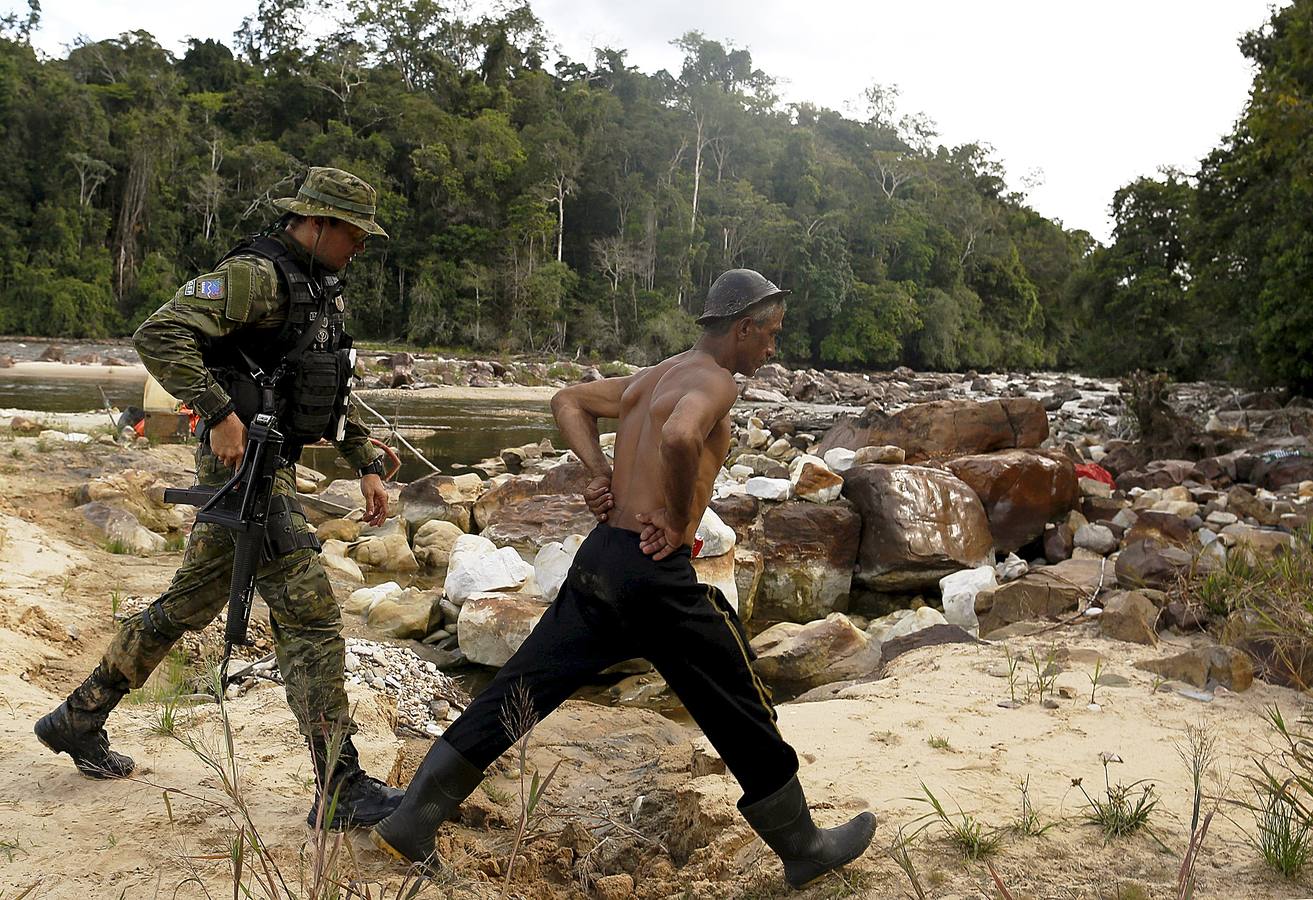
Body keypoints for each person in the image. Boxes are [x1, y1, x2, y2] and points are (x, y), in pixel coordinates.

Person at [371, 269, 876, 889]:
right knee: (736, 695)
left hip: (601, 559)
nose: (772, 348)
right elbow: (681, 434)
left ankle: (412, 821)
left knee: (516, 692)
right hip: (653, 572)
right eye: (769, 334)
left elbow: (568, 400)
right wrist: (680, 515)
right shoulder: (715, 381)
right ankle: (804, 846)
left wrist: (599, 469)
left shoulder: (654, 376)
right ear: (742, 328)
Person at [35, 167, 403, 830]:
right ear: (316, 223)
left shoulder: (325, 286)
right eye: (353, 233)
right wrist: (217, 410)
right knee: (311, 618)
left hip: (277, 462)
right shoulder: (254, 275)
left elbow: (324, 386)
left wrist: (365, 462)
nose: (361, 247)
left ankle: (78, 717)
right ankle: (342, 786)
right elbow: (159, 333)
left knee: (187, 603)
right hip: (248, 468)